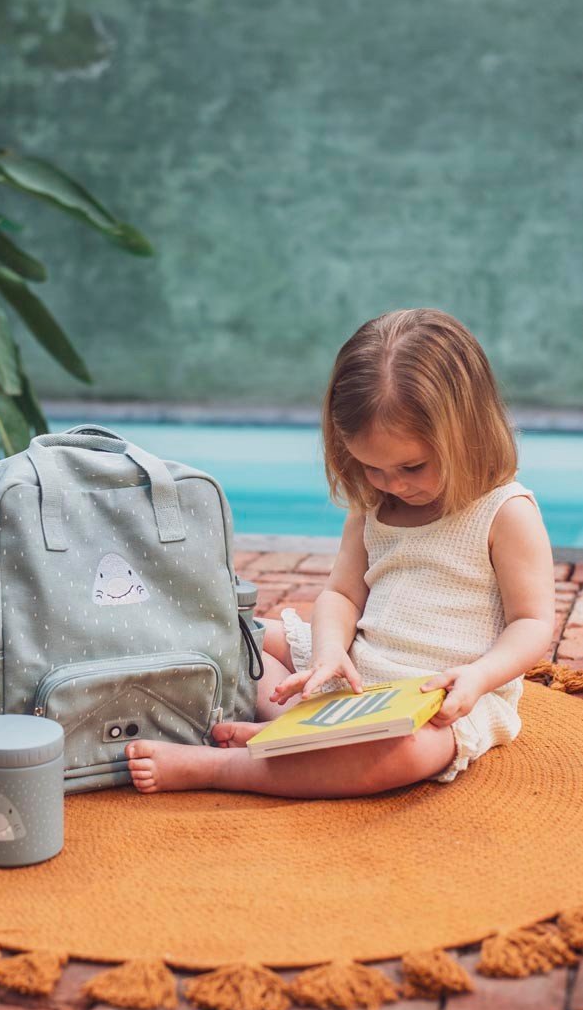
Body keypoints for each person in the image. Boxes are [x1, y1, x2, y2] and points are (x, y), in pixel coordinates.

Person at [125, 308, 555, 797]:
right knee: (242, 635)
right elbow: (342, 596)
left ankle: (225, 767)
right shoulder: (376, 506)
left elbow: (533, 623)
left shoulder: (504, 511)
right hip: (356, 669)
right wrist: (328, 654)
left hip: (443, 697)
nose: (391, 484)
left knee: (408, 752)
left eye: (412, 467)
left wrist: (477, 678)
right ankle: (297, 736)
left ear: (467, 432)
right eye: (373, 467)